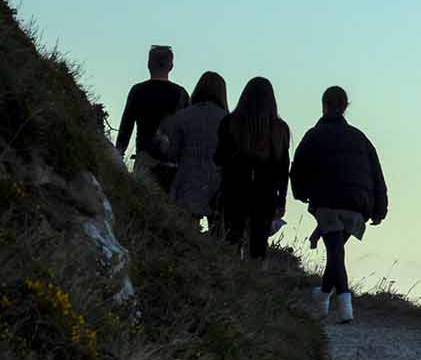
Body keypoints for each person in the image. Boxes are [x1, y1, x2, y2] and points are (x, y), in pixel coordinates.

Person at [290, 85, 387, 324]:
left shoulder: (314, 135)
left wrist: (301, 194)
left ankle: (344, 304)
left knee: (335, 251)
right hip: (357, 205)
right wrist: (379, 209)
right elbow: (377, 174)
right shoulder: (361, 138)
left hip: (327, 202)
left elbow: (297, 168)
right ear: (345, 107)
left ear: (324, 105)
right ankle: (324, 297)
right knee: (336, 251)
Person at [213, 77, 290, 260]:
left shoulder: (230, 123)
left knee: (233, 236)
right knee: (259, 243)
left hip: (235, 187)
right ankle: (257, 275)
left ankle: (233, 274)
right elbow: (283, 169)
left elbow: (219, 157)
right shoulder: (279, 129)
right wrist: (282, 199)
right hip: (266, 192)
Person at [151, 71, 228, 229]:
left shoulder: (182, 117)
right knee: (219, 237)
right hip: (219, 186)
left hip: (187, 182)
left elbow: (172, 155)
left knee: (186, 235)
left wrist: (160, 142)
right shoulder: (228, 121)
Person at [115, 45, 189, 182]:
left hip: (144, 161)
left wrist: (118, 153)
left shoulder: (138, 91)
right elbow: (187, 131)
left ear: (149, 64)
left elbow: (126, 126)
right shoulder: (181, 94)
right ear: (171, 66)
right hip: (172, 165)